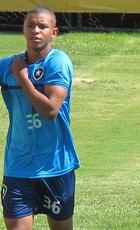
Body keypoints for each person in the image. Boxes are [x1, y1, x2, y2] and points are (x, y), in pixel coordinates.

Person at [0, 6, 80, 230]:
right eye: (30, 25)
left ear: (53, 32)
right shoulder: (8, 66)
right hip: (18, 168)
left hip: (55, 168)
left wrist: (23, 79)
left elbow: (51, 110)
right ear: (23, 30)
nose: (36, 30)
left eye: (42, 26)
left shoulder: (58, 63)